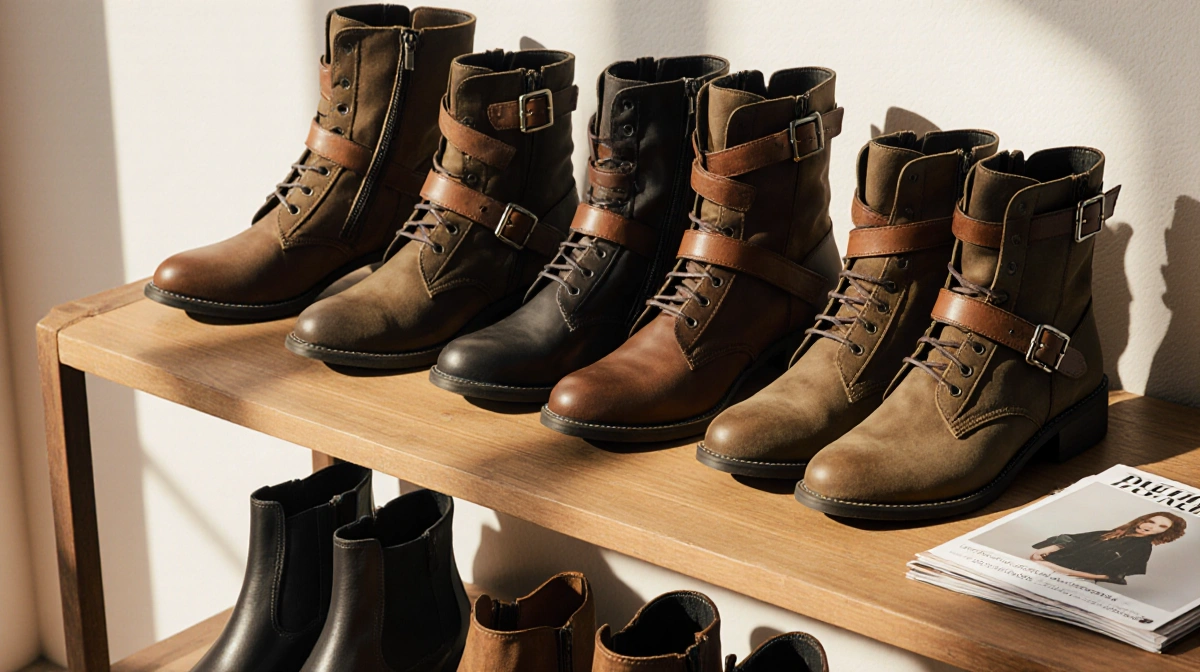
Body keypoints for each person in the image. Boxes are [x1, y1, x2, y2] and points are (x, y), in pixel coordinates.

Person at [1029, 512, 1187, 584]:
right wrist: (1045, 550)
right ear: (1141, 520)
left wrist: (1059, 570)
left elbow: (1111, 576)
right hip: (1042, 566)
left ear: (1165, 533)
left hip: (1070, 581)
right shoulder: (1112, 533)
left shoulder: (1142, 548)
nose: (1151, 526)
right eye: (1151, 521)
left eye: (1161, 526)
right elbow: (1074, 540)